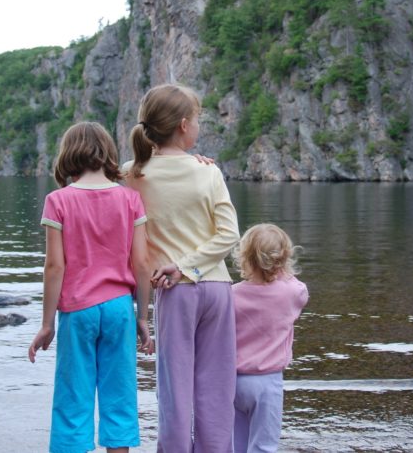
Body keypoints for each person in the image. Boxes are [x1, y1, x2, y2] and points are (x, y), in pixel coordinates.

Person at [123, 83, 240, 453]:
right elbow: (229, 235)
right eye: (199, 120)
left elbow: (92, 183)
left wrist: (177, 268)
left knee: (175, 390)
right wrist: (190, 265)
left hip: (173, 291)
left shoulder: (131, 174)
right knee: (217, 388)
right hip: (218, 288)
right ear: (185, 125)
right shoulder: (208, 172)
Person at [28, 121, 153, 453]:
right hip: (119, 309)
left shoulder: (59, 201)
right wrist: (142, 317)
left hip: (78, 311)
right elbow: (142, 264)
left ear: (69, 156)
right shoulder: (130, 200)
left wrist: (46, 324)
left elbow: (55, 267)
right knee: (120, 397)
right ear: (107, 153)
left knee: (73, 400)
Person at [231, 223, 309, 453]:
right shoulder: (292, 293)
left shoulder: (230, 295)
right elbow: (298, 286)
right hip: (268, 382)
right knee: (264, 445)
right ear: (283, 259)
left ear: (244, 257)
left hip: (233, 381)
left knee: (236, 444)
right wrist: (281, 270)